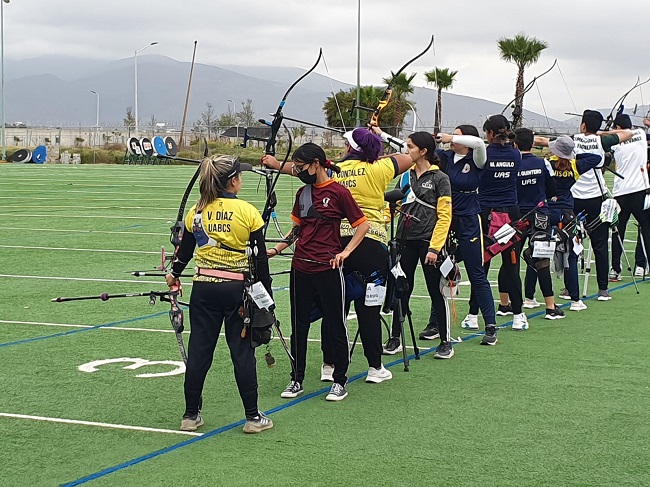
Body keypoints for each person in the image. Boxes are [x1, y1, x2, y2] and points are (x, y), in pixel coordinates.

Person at [263, 128, 414, 382]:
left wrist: (276, 164)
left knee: (333, 309)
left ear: (350, 148)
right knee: (368, 308)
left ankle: (329, 364)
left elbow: (299, 170)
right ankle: (375, 367)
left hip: (334, 243)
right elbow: (408, 156)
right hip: (370, 245)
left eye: (347, 144)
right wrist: (378, 144)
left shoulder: (335, 169)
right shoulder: (380, 167)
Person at [165, 155, 274, 434]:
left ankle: (190, 415)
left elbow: (184, 252)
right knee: (242, 353)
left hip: (204, 288)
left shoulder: (197, 211)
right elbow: (261, 261)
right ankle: (253, 418)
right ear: (233, 181)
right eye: (240, 176)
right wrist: (267, 299)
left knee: (199, 351)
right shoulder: (248, 211)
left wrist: (174, 274)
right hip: (237, 291)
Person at [264, 143, 370, 401]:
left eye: (301, 167)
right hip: (300, 267)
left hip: (328, 268)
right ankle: (296, 378)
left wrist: (345, 252)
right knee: (298, 326)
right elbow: (297, 230)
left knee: (335, 323)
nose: (298, 171)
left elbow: (362, 225)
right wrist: (276, 249)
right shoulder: (302, 193)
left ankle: (339, 380)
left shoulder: (339, 192)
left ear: (316, 164)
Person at [379, 131, 454, 358]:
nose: (406, 150)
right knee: (401, 288)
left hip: (428, 242)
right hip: (405, 240)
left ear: (423, 151)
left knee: (435, 291)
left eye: (410, 146)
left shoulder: (440, 178)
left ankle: (445, 341)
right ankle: (395, 337)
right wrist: (376, 223)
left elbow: (445, 216)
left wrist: (435, 248)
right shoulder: (406, 176)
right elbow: (394, 206)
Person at [466, 114, 525, 341]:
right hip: (510, 213)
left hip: (486, 214)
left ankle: (473, 315)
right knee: (511, 265)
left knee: (481, 265)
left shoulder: (484, 153)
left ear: (490, 133)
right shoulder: (515, 154)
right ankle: (518, 315)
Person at [435, 126, 497, 337]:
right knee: (439, 271)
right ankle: (436, 324)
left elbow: (479, 143)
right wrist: (380, 134)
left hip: (469, 220)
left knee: (477, 273)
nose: (453, 140)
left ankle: (490, 326)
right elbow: (414, 150)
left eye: (458, 136)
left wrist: (451, 137)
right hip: (445, 219)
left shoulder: (477, 158)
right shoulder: (445, 157)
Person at [569, 109, 631, 300]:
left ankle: (570, 288)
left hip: (574, 198)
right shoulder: (602, 141)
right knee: (600, 244)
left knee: (571, 242)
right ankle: (603, 289)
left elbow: (544, 142)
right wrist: (601, 133)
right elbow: (628, 133)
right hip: (596, 198)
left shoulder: (573, 139)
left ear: (583, 125)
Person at [513, 128, 564, 319]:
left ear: (515, 144)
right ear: (533, 143)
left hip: (516, 216)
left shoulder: (512, 164)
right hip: (540, 215)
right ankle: (550, 306)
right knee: (542, 260)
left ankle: (504, 304)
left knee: (511, 260)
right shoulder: (543, 163)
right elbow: (552, 190)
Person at [602, 114, 650, 282]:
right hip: (640, 191)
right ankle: (642, 266)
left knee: (618, 231)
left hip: (621, 193)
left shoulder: (615, 141)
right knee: (646, 229)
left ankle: (615, 269)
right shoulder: (641, 134)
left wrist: (603, 132)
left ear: (617, 128)